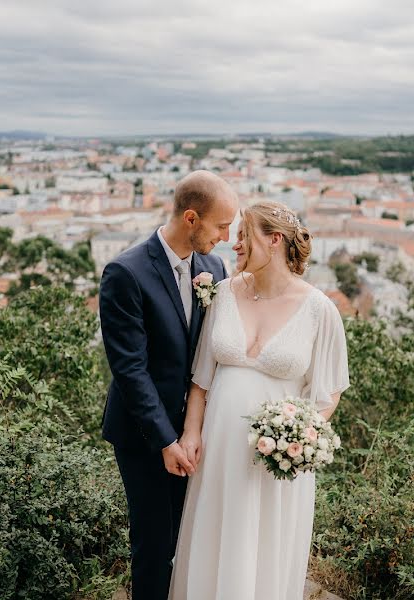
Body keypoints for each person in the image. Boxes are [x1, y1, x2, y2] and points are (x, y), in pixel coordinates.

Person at [169, 201, 350, 600]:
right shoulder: (223, 293)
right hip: (216, 454)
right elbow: (201, 380)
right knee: (214, 539)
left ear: (274, 241)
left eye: (242, 237)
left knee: (263, 549)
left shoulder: (320, 311)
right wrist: (191, 432)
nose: (234, 246)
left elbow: (328, 394)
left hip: (274, 462)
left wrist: (295, 440)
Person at [99, 170, 238, 600]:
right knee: (155, 545)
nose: (227, 237)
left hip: (197, 432)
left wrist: (195, 429)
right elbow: (130, 370)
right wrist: (165, 440)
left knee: (193, 538)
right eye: (221, 226)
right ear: (192, 218)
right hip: (145, 437)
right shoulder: (126, 272)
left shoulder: (213, 267)